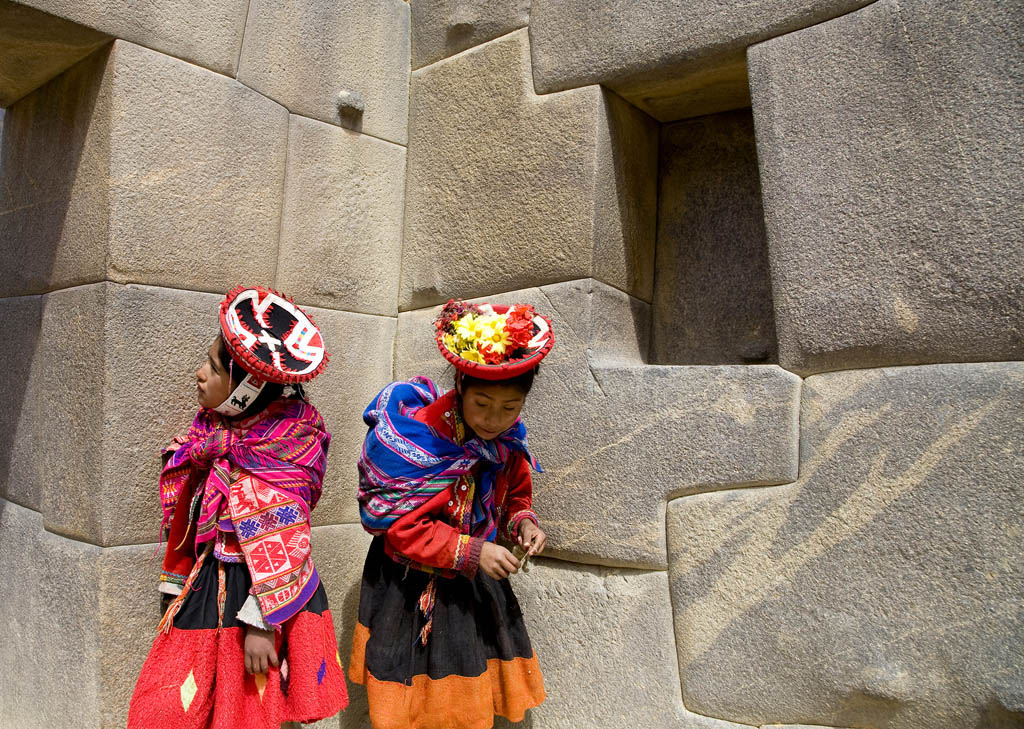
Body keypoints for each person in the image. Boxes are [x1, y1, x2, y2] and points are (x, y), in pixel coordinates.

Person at [127, 285, 348, 729]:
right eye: (207, 362)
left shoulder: (285, 444)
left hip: (259, 594)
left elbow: (287, 538)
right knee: (180, 703)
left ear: (246, 390)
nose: (199, 375)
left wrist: (262, 624)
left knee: (247, 706)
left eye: (212, 368)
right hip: (210, 579)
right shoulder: (212, 433)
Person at [349, 299, 554, 729]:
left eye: (509, 408)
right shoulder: (425, 437)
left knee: (463, 704)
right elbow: (401, 529)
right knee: (411, 704)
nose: (494, 420)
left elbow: (515, 493)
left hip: (471, 587)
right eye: (482, 403)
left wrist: (524, 523)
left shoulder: (507, 442)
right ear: (460, 385)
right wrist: (472, 552)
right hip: (410, 588)